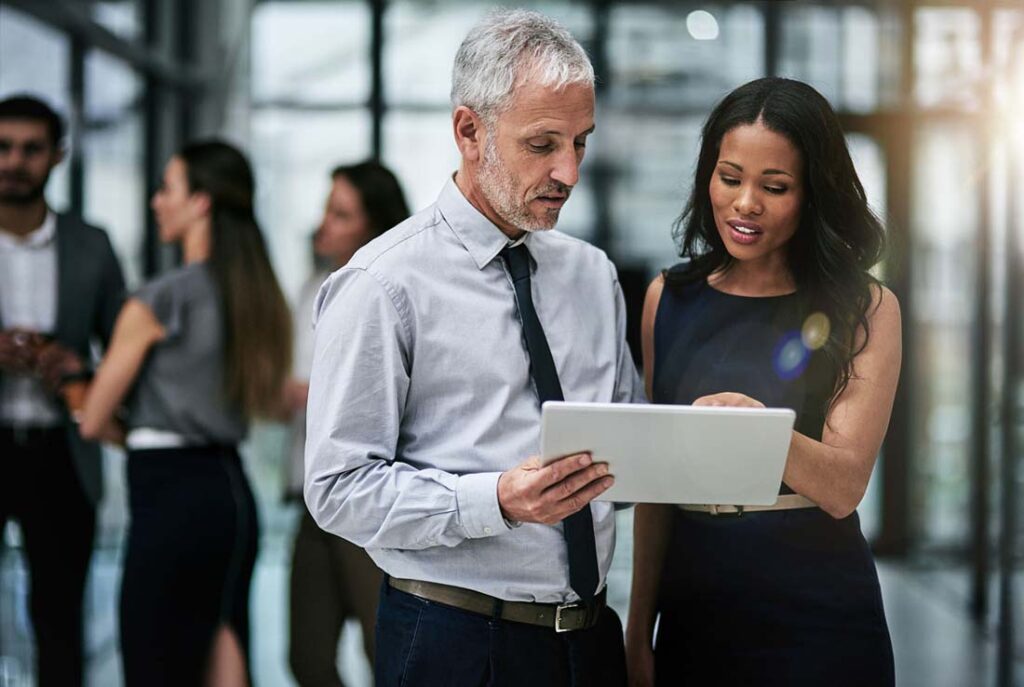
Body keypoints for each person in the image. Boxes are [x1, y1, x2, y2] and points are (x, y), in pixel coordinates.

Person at [304, 9, 643, 687]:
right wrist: (498, 500)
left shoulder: (591, 275)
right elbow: (337, 488)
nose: (569, 171)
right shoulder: (382, 283)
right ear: (469, 131)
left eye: (581, 141)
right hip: (454, 643)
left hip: (589, 639)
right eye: (542, 144)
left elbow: (624, 456)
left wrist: (698, 444)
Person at [624, 77, 900, 686]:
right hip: (696, 608)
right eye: (729, 178)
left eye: (774, 187)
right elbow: (655, 491)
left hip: (819, 615)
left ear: (812, 194)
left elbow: (842, 486)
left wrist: (756, 432)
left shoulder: (867, 307)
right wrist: (637, 630)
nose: (745, 203)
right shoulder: (666, 298)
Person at [75, 140, 291, 687]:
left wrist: (66, 376)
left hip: (170, 499)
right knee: (225, 651)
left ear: (201, 203)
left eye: (167, 188)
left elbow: (94, 419)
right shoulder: (253, 295)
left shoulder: (158, 299)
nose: (155, 202)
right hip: (231, 499)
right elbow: (266, 400)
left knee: (153, 665)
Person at [0, 94, 125, 687]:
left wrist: (72, 366)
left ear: (57, 156)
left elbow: (125, 353)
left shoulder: (90, 244)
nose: (14, 161)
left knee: (59, 619)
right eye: (3, 147)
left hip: (62, 454)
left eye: (30, 149)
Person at [286, 161, 410, 687]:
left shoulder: (394, 291)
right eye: (327, 211)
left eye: (341, 214)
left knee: (381, 648)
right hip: (311, 499)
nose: (324, 225)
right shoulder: (313, 289)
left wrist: (317, 397)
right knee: (306, 656)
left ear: (373, 224)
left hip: (372, 499)